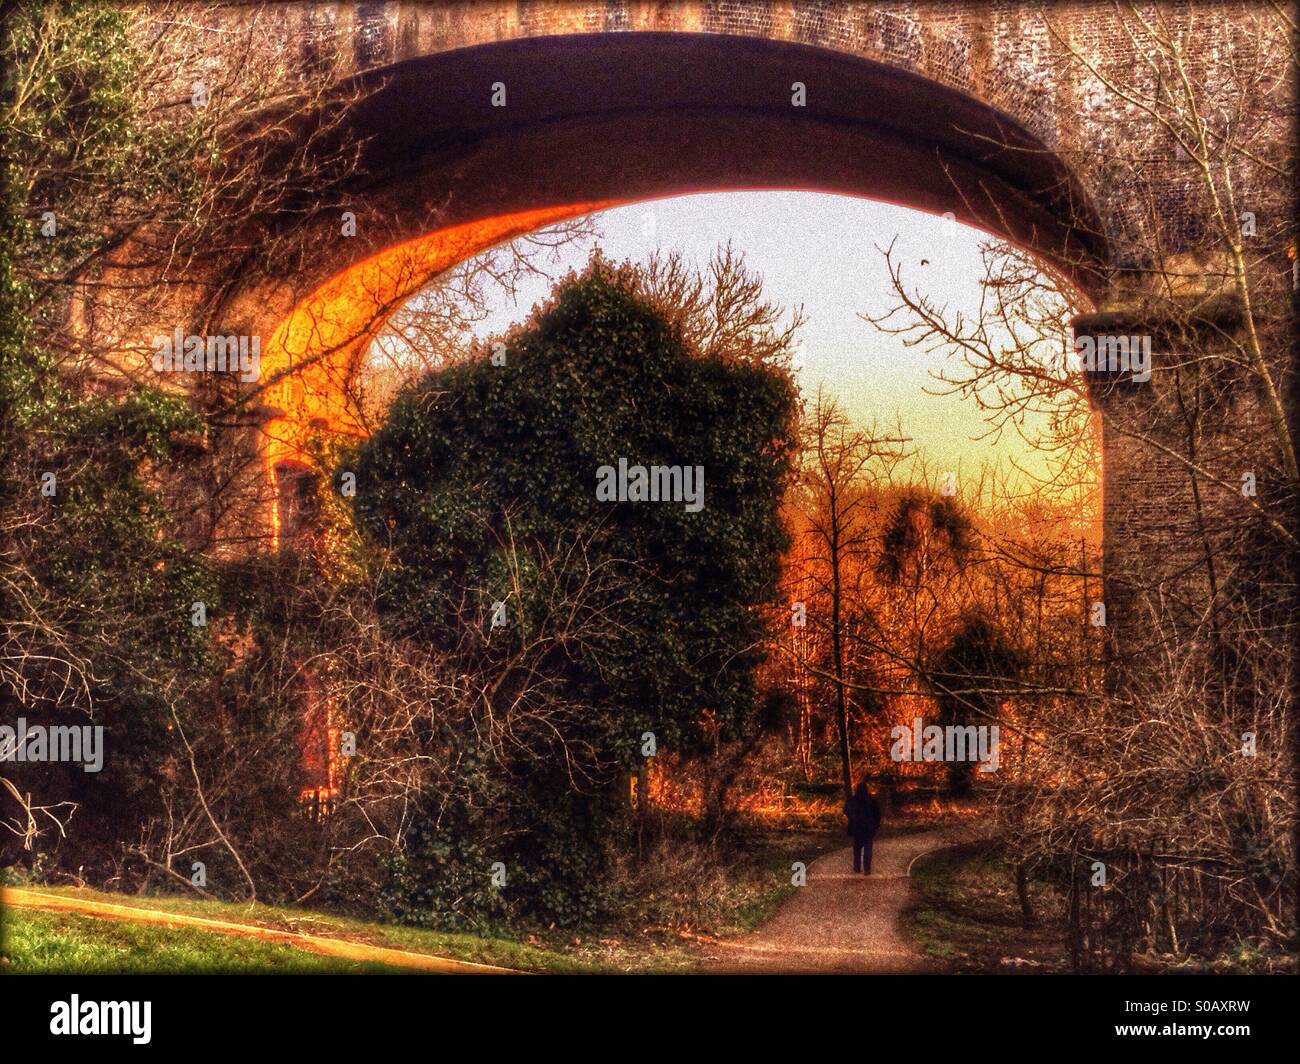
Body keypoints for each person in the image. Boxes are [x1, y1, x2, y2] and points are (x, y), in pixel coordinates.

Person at [843, 781, 882, 874]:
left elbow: (845, 810)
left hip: (857, 827)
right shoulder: (872, 800)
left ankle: (857, 867)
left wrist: (852, 818)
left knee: (857, 848)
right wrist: (875, 825)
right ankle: (867, 868)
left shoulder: (852, 800)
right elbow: (878, 814)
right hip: (868, 828)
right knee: (868, 848)